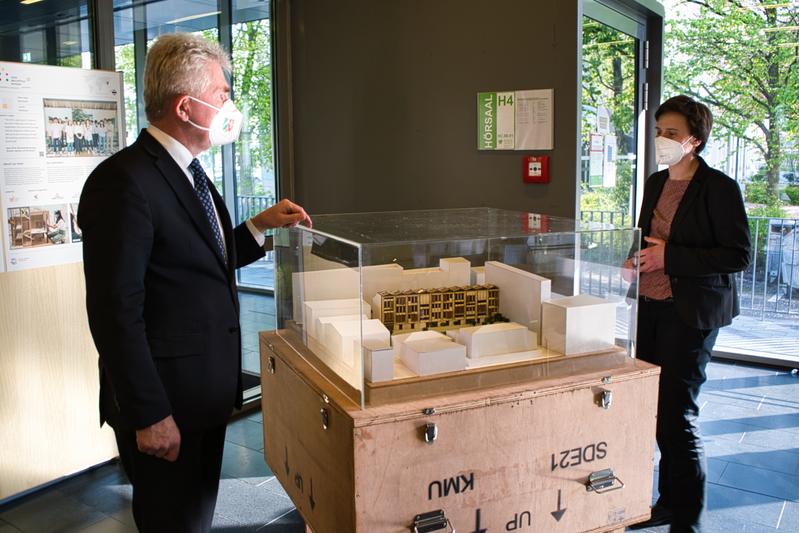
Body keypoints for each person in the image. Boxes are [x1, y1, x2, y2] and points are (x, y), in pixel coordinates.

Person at [78, 32, 312, 533]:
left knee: (194, 519)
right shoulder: (123, 182)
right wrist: (149, 414)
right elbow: (115, 312)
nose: (230, 103)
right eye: (222, 94)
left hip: (201, 399)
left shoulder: (188, 171)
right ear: (186, 107)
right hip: (166, 407)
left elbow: (195, 260)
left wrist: (258, 227)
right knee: (173, 522)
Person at [627, 95, 751, 533]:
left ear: (694, 140)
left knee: (677, 415)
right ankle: (667, 501)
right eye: (659, 131)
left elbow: (737, 255)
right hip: (650, 308)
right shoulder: (656, 182)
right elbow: (647, 237)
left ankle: (688, 518)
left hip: (691, 313)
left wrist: (669, 259)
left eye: (672, 133)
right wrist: (632, 259)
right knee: (652, 411)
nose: (662, 139)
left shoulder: (719, 188)